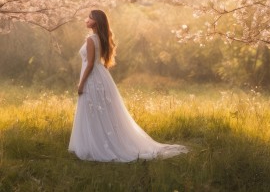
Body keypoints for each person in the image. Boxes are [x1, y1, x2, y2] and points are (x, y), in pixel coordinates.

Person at [68, 9, 188, 162]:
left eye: (89, 18)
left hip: (92, 78)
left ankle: (96, 146)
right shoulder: (100, 38)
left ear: (96, 22)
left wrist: (81, 83)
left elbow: (90, 64)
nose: (86, 20)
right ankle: (96, 144)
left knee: (93, 111)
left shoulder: (91, 39)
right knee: (100, 112)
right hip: (101, 76)